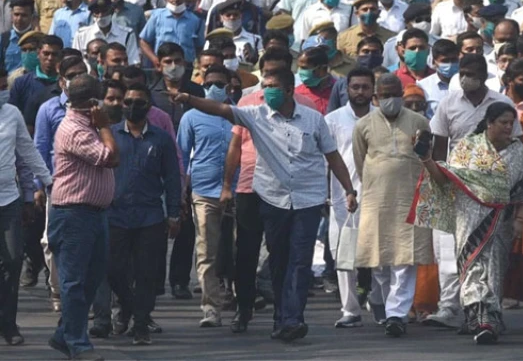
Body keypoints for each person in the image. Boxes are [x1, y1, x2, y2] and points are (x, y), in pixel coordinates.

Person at [175, 68, 359, 343]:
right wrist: (188, 98)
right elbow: (220, 108)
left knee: (299, 260)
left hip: (308, 199)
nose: (267, 91)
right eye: (264, 85)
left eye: (272, 86)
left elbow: (332, 156)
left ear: (288, 90)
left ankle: (293, 318)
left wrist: (348, 189)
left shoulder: (313, 120)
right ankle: (281, 317)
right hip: (272, 199)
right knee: (280, 259)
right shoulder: (256, 115)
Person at [412, 103, 523, 344]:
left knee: (494, 270)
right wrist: (428, 160)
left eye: (511, 123)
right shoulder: (467, 147)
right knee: (472, 270)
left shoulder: (516, 151)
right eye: (503, 122)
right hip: (468, 220)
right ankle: (484, 321)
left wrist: (520, 220)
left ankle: (486, 317)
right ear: (489, 123)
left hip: (500, 221)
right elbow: (445, 179)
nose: (508, 127)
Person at [352, 74, 433, 337]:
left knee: (405, 259)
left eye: (394, 94)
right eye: (384, 95)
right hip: (377, 200)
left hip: (410, 199)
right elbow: (360, 160)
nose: (390, 100)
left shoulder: (420, 122)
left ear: (402, 94)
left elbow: (428, 159)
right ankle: (385, 307)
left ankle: (397, 315)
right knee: (379, 260)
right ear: (376, 97)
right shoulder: (363, 125)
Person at [47, 75, 119, 361]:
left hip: (95, 213)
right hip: (73, 214)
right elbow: (111, 157)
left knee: (92, 276)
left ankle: (64, 334)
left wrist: (100, 125)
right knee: (74, 282)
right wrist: (104, 126)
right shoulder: (74, 129)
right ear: (92, 103)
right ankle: (78, 343)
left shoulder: (88, 125)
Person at [107, 82, 182, 346]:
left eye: (138, 102)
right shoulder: (111, 134)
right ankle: (127, 307)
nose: (131, 106)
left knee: (147, 274)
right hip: (115, 215)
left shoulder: (160, 138)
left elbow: (173, 178)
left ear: (148, 106)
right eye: (127, 102)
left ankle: (140, 324)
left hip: (150, 216)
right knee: (113, 271)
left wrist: (174, 214)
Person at [175, 63, 236, 327]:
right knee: (206, 251)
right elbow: (181, 156)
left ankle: (241, 298)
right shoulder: (191, 116)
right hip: (204, 190)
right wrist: (180, 193)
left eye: (220, 84)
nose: (215, 88)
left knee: (242, 249)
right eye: (210, 83)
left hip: (240, 191)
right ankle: (211, 307)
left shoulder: (239, 113)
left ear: (230, 86)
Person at [0, 64, 50, 346]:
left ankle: (9, 324)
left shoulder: (12, 114)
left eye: (4, 87)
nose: (2, 93)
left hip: (8, 199)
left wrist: (46, 181)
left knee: (12, 260)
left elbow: (27, 151)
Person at [324, 67, 373, 329]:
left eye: (365, 87)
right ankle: (350, 309)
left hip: (377, 198)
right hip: (343, 199)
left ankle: (381, 306)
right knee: (344, 258)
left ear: (373, 89)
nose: (360, 92)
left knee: (379, 257)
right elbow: (324, 161)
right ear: (347, 89)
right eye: (356, 87)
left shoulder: (383, 118)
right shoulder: (332, 120)